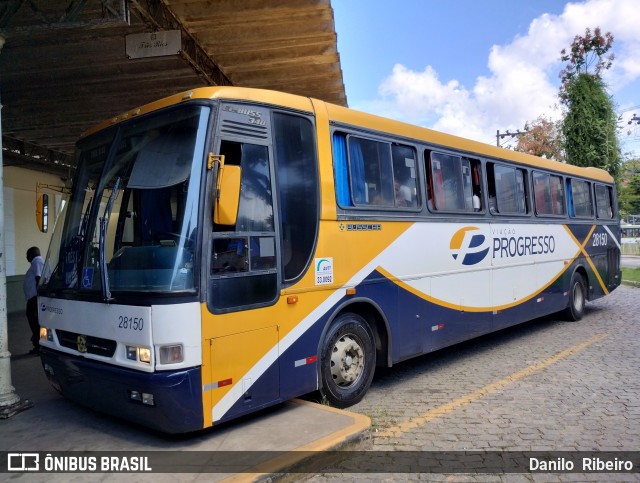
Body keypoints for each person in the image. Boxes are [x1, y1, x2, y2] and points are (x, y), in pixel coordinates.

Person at [23, 246, 44, 355]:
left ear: (32, 254)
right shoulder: (36, 263)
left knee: (35, 322)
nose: (26, 256)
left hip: (35, 299)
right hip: (34, 298)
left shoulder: (37, 262)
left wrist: (39, 297)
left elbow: (38, 278)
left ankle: (39, 345)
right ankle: (38, 344)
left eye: (27, 254)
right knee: (34, 321)